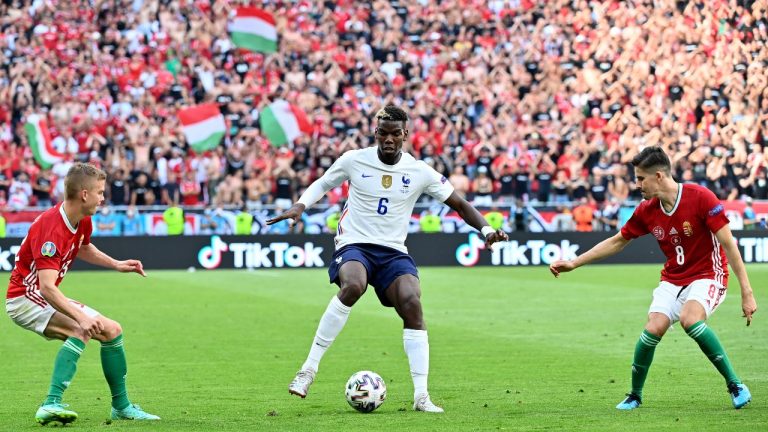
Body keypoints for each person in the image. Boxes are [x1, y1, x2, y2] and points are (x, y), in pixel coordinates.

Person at [267, 105, 508, 413]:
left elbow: (459, 203)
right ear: (375, 133)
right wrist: (300, 206)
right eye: (384, 133)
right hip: (354, 244)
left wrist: (486, 229)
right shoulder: (354, 160)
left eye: (396, 134)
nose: (389, 140)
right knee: (353, 285)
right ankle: (308, 370)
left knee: (412, 302)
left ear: (405, 135)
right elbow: (324, 183)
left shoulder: (419, 171)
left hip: (393, 251)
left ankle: (422, 396)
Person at [549, 147, 758, 411]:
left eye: (640, 178)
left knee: (690, 320)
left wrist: (746, 292)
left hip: (709, 274)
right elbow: (618, 241)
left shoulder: (701, 197)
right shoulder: (647, 210)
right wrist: (574, 262)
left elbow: (729, 244)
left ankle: (735, 385)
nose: (636, 185)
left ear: (658, 176)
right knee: (652, 330)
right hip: (672, 278)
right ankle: (635, 395)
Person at [4, 163, 159, 425]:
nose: (102, 197)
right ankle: (50, 403)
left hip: (41, 294)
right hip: (24, 297)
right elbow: (46, 287)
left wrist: (116, 264)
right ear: (84, 195)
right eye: (99, 192)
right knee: (81, 328)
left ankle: (121, 407)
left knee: (112, 330)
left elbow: (83, 247)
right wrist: (81, 318)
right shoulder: (51, 228)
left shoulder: (81, 220)